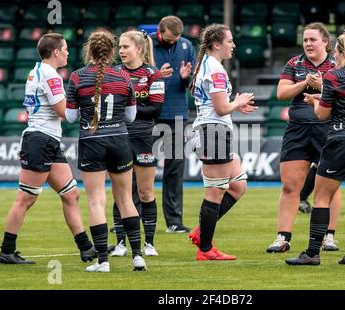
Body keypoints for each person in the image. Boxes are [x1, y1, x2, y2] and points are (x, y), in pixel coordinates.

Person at [0, 33, 96, 264]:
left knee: (71, 194)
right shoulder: (50, 75)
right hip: (41, 139)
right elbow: (64, 112)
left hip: (46, 139)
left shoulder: (37, 71)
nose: (68, 52)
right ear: (56, 52)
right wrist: (91, 110)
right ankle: (7, 251)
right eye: (65, 49)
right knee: (26, 198)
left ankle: (86, 248)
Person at [286, 24, 345, 266]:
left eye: (336, 53)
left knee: (321, 199)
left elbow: (323, 116)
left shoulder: (334, 75)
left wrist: (314, 103)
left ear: (344, 53)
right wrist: (324, 98)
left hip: (341, 140)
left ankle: (312, 254)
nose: (334, 56)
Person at [66, 31, 146, 272]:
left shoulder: (77, 77)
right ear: (111, 52)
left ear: (89, 51)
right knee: (125, 199)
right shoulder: (124, 77)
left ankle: (103, 261)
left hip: (92, 142)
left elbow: (70, 117)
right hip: (120, 141)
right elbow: (131, 116)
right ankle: (138, 257)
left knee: (96, 201)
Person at [266, 22, 342, 254]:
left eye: (313, 40)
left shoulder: (337, 64)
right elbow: (281, 93)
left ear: (325, 43)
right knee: (290, 186)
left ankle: (328, 236)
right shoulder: (294, 63)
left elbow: (343, 96)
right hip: (297, 130)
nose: (308, 44)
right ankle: (282, 238)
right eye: (305, 40)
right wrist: (304, 83)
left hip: (327, 129)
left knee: (330, 186)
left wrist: (322, 86)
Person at [189, 24, 256, 260]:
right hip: (213, 132)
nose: (234, 45)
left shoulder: (206, 65)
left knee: (238, 186)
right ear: (217, 44)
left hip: (214, 129)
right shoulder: (215, 69)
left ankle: (202, 232)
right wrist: (237, 102)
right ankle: (205, 249)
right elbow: (220, 108)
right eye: (230, 41)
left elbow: (214, 105)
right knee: (215, 192)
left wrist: (234, 105)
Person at [109, 30, 164, 257]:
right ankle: (121, 243)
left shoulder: (153, 74)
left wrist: (127, 110)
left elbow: (156, 109)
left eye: (125, 47)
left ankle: (149, 244)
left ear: (139, 49)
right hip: (118, 136)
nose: (121, 51)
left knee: (145, 191)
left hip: (143, 137)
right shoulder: (115, 73)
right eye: (119, 47)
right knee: (121, 193)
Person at [149, 16, 196, 233]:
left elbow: (194, 85)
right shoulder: (145, 44)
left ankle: (174, 222)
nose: (173, 42)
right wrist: (157, 75)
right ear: (160, 32)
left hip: (177, 114)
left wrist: (187, 78)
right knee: (137, 167)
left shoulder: (186, 46)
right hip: (148, 114)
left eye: (176, 39)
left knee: (175, 170)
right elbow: (133, 76)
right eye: (169, 39)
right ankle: (126, 217)